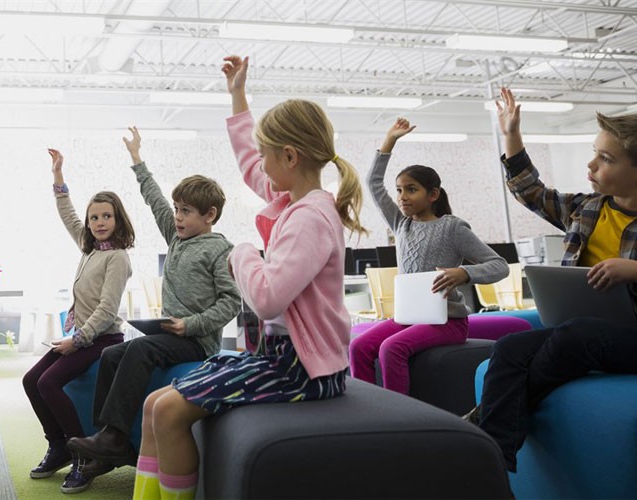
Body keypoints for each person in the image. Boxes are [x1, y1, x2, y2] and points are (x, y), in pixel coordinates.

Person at [128, 54, 366, 500]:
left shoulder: (309, 217)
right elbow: (251, 166)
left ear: (290, 157)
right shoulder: (297, 199)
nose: (260, 166)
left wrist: (241, 253)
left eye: (268, 153)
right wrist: (237, 96)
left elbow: (268, 298)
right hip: (281, 358)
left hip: (301, 371)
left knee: (170, 413)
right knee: (152, 405)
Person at [467, 87, 637, 473]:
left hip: (622, 337)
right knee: (509, 347)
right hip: (587, 330)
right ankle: (492, 460)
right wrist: (511, 134)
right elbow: (531, 191)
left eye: (606, 158)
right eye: (594, 152)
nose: (591, 165)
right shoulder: (587, 208)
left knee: (577, 334)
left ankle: (485, 419)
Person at [66, 127, 241, 479]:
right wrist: (137, 159)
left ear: (209, 215)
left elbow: (232, 303)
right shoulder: (177, 237)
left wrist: (190, 325)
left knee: (138, 352)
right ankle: (106, 437)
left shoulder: (219, 249)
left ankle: (114, 438)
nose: (176, 216)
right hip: (172, 333)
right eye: (177, 209)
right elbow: (154, 198)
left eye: (186, 211)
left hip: (196, 341)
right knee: (110, 354)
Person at [349, 117, 509, 394]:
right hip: (409, 316)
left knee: (391, 348)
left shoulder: (452, 227)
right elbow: (373, 183)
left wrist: (464, 273)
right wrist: (389, 141)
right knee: (358, 346)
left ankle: (404, 416)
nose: (402, 197)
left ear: (433, 194)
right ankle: (370, 410)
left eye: (411, 189)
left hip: (448, 322)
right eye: (400, 190)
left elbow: (500, 266)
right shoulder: (401, 224)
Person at [21, 148, 135, 493]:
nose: (99, 222)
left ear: (118, 221)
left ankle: (84, 457)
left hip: (102, 339)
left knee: (48, 383)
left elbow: (106, 310)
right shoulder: (89, 249)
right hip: (82, 336)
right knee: (30, 380)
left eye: (106, 216)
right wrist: (58, 177)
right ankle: (58, 447)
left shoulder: (117, 258)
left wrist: (78, 339)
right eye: (94, 217)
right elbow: (67, 215)